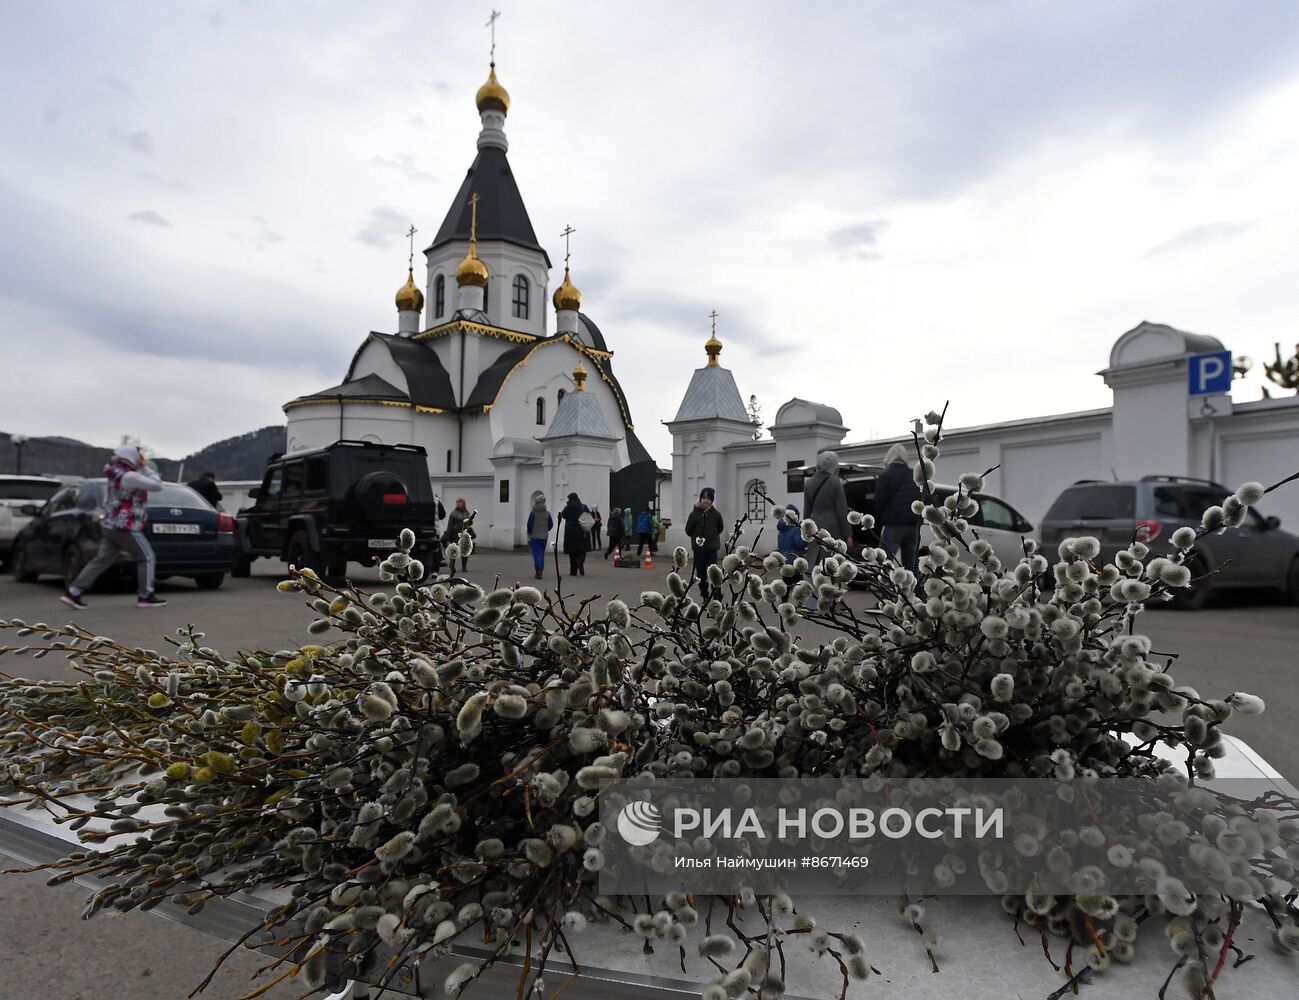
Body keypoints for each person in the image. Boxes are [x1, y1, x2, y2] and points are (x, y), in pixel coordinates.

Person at [61, 444, 167, 609]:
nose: (141, 458)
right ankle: (146, 595)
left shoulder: (115, 475)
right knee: (146, 558)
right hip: (126, 526)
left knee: (101, 560)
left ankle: (73, 592)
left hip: (111, 525)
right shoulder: (130, 476)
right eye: (139, 456)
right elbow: (157, 485)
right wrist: (145, 467)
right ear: (131, 457)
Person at [874, 443, 922, 572]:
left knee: (885, 562)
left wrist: (881, 519)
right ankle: (910, 590)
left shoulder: (886, 475)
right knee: (911, 564)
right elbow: (922, 500)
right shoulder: (914, 475)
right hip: (913, 526)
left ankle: (886, 589)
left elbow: (879, 502)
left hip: (893, 526)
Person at [803, 450, 852, 567]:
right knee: (832, 562)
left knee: (815, 561)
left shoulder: (808, 483)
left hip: (814, 527)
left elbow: (806, 511)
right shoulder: (835, 483)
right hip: (833, 527)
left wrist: (805, 531)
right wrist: (848, 534)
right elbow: (842, 511)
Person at [684, 487, 725, 599]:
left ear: (712, 501)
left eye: (708, 498)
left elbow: (720, 528)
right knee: (701, 574)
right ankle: (705, 595)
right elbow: (688, 530)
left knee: (714, 573)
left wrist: (712, 537)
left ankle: (716, 595)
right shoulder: (694, 514)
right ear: (700, 499)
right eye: (703, 498)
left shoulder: (716, 514)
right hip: (699, 550)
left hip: (712, 549)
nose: (706, 500)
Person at [560, 492, 590, 576]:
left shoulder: (568, 508)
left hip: (570, 532)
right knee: (582, 550)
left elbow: (563, 515)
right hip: (582, 530)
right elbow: (588, 515)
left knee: (572, 552)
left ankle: (573, 571)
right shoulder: (583, 507)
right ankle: (580, 563)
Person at [443, 498, 475, 573]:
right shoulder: (453, 513)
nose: (458, 504)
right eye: (457, 502)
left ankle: (464, 567)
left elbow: (470, 523)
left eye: (460, 502)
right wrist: (448, 535)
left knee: (464, 550)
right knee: (454, 551)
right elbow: (450, 525)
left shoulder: (466, 513)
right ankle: (452, 567)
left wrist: (470, 519)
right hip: (455, 534)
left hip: (464, 534)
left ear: (463, 503)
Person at [526, 491, 553, 580]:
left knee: (537, 554)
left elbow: (529, 525)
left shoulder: (533, 513)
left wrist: (530, 532)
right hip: (544, 536)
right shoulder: (547, 513)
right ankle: (540, 570)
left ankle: (538, 571)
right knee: (541, 553)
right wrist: (545, 530)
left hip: (535, 536)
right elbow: (551, 525)